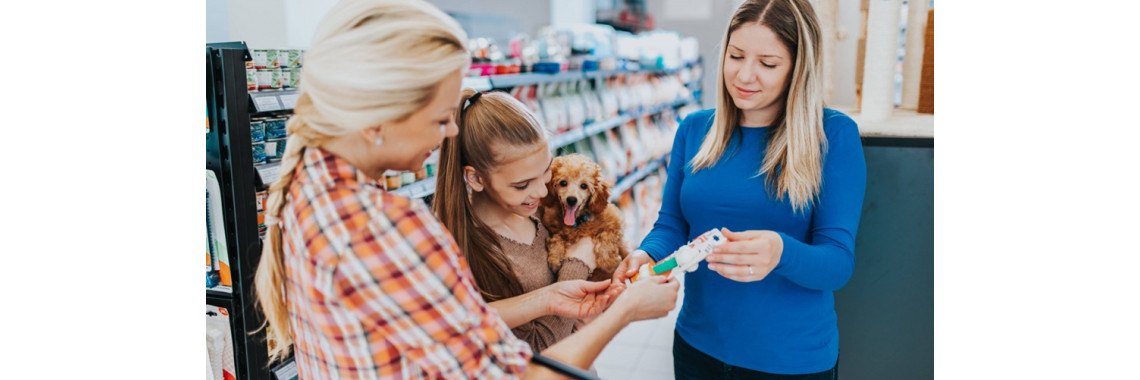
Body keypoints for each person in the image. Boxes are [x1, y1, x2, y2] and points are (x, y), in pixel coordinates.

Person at [252, 0, 680, 378]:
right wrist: (625, 311)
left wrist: (550, 297)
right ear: (379, 117)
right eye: (441, 119)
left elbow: (441, 329)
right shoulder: (386, 229)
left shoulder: (306, 183)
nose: (452, 131)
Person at [612, 0, 867, 378]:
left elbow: (838, 264)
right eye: (736, 56)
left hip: (790, 361)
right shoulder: (696, 129)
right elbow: (672, 225)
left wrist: (781, 252)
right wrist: (647, 255)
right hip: (697, 348)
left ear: (798, 69)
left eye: (768, 63)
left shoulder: (832, 135)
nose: (745, 76)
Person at [432, 89, 606, 355]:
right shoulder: (474, 251)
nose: (543, 192)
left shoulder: (544, 211)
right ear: (476, 178)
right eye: (522, 184)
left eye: (546, 170)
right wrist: (577, 262)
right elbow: (537, 350)